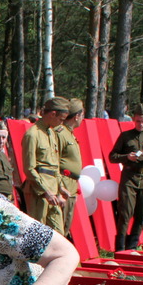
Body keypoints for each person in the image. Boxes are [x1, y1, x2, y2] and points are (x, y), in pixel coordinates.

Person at [108, 103, 143, 250]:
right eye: (138, 121)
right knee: (125, 213)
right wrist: (127, 157)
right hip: (129, 177)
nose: (141, 124)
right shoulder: (126, 136)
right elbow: (112, 157)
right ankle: (120, 248)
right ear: (134, 119)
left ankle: (132, 246)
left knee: (141, 214)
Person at [21, 97, 68, 234]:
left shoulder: (51, 133)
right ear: (53, 114)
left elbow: (54, 165)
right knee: (38, 233)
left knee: (59, 233)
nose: (62, 123)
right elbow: (29, 168)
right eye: (61, 119)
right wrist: (45, 191)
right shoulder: (33, 134)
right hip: (39, 191)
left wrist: (60, 187)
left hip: (53, 189)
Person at [55, 98, 85, 238]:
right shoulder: (60, 133)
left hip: (71, 185)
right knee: (59, 227)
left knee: (66, 226)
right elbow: (54, 161)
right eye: (82, 115)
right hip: (63, 185)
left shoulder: (69, 133)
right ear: (77, 116)